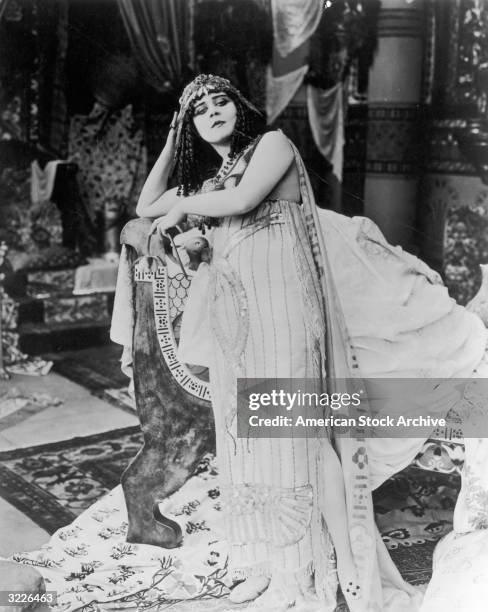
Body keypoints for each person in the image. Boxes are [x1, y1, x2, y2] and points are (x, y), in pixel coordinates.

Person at [136, 74, 488, 612]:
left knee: (302, 435)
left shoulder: (270, 146)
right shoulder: (214, 181)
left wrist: (185, 211)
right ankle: (280, 563)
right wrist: (171, 136)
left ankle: (347, 570)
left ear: (241, 107)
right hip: (244, 316)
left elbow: (245, 198)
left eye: (220, 101)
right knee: (257, 440)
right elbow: (146, 206)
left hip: (289, 312)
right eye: (198, 110)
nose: (211, 112)